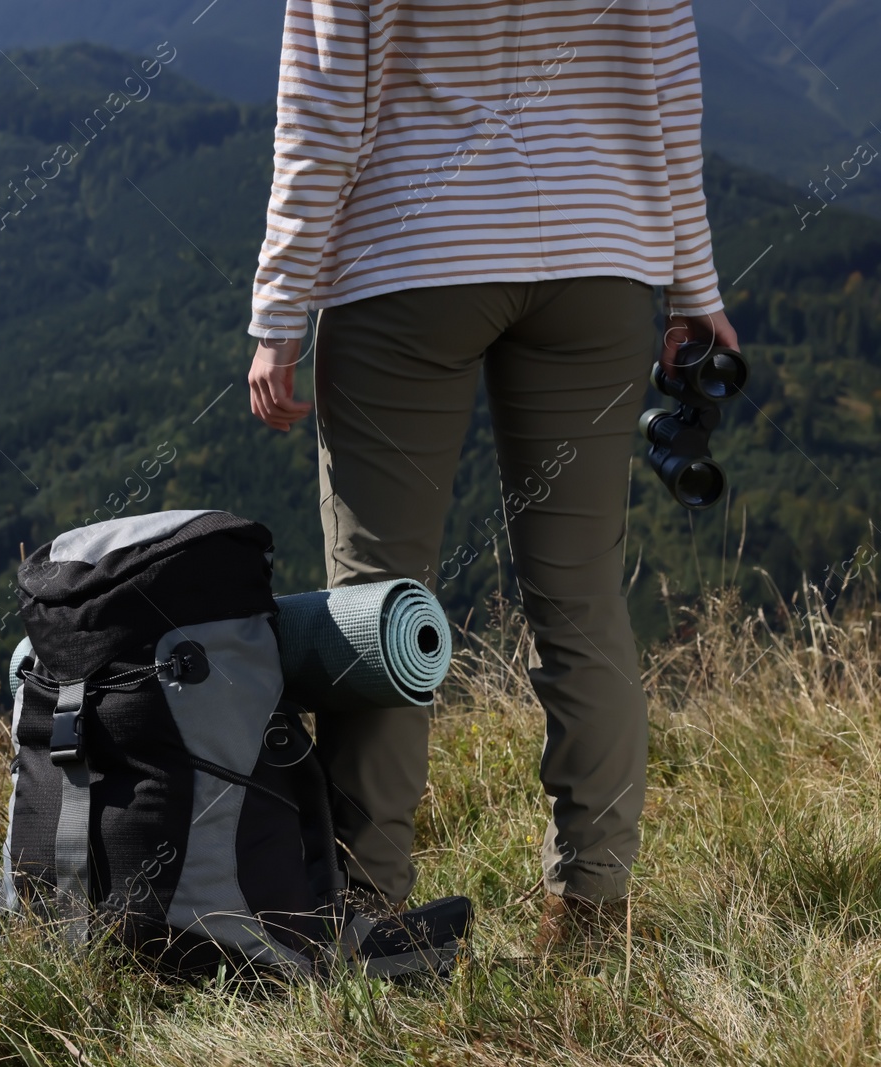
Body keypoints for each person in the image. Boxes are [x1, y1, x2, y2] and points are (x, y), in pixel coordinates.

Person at [245, 0, 737, 946]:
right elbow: (670, 84)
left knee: (378, 603)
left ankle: (369, 906)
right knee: (582, 596)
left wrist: (280, 309)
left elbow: (322, 106)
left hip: (412, 249)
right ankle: (593, 909)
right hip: (602, 253)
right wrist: (694, 285)